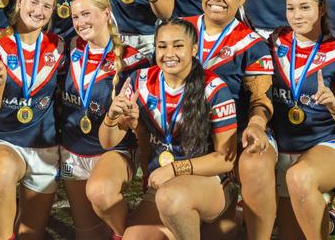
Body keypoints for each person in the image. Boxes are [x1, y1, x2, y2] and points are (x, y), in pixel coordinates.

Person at [100, 19, 237, 240]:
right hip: (162, 185)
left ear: (194, 49)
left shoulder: (214, 88)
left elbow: (225, 160)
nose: (169, 53)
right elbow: (107, 142)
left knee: (171, 198)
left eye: (178, 45)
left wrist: (175, 169)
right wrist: (111, 117)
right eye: (162, 46)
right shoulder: (139, 80)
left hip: (208, 182)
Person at [183, 0, 276, 240]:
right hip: (187, 136)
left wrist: (257, 126)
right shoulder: (181, 30)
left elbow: (261, 97)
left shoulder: (252, 44)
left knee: (255, 161)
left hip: (233, 136)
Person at [0, 0, 64, 240]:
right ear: (20, 1)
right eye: (33, 2)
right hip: (5, 141)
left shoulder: (59, 47)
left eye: (47, 6)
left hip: (45, 147)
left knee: (30, 235)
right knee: (2, 174)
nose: (39, 11)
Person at [271, 0, 335, 239]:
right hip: (282, 149)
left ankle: (327, 210)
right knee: (288, 233)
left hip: (325, 145)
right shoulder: (274, 42)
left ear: (321, 9)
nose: (296, 15)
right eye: (291, 8)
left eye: (304, 7)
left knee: (300, 177)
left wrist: (333, 103)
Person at [59, 0, 148, 239]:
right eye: (75, 17)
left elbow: (139, 123)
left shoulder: (134, 61)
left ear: (106, 13)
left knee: (101, 194)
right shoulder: (68, 51)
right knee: (87, 233)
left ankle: (128, 234)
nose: (80, 22)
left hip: (112, 151)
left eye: (86, 14)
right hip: (72, 152)